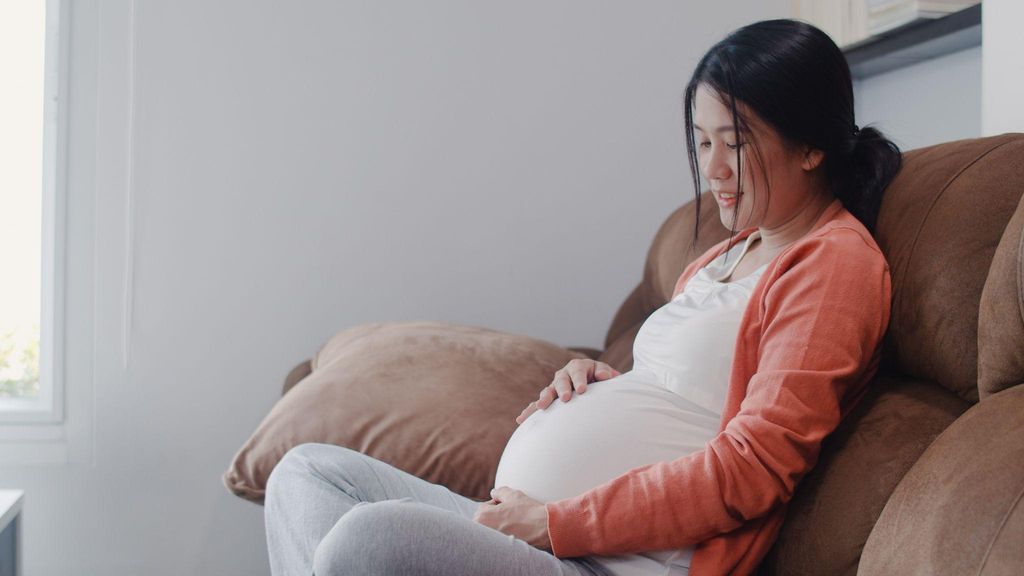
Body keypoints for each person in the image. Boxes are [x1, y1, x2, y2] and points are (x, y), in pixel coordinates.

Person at [263, 17, 901, 576]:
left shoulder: (834, 264)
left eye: (735, 142)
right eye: (702, 141)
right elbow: (683, 399)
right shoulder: (723, 254)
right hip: (539, 533)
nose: (712, 170)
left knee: (367, 542)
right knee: (306, 472)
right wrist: (604, 381)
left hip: (611, 561)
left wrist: (555, 523)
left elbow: (752, 469)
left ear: (812, 145)